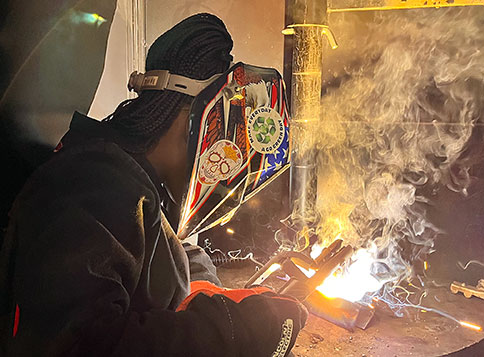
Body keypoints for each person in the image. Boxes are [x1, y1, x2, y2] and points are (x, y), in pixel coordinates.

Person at [0, 13, 307, 356]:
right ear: (193, 118)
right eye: (229, 133)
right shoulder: (92, 185)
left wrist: (199, 283)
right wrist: (237, 331)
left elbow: (160, 248)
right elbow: (79, 346)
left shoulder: (126, 179)